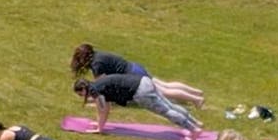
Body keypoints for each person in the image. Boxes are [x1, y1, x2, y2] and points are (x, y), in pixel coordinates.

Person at [72, 68, 203, 134]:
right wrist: (99, 124)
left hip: (140, 91)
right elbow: (104, 108)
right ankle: (195, 122)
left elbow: (103, 110)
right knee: (170, 105)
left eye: (81, 94)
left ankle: (193, 130)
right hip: (144, 81)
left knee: (166, 111)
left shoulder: (95, 90)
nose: (83, 97)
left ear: (84, 89)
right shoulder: (98, 84)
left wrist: (99, 128)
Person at [73, 44, 206, 107]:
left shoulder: (97, 65)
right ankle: (196, 92)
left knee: (164, 91)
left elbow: (102, 88)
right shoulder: (99, 55)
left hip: (133, 75)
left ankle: (195, 99)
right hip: (135, 67)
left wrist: (92, 101)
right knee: (165, 85)